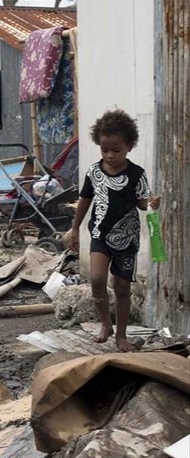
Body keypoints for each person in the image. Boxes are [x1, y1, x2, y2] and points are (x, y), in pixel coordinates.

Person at [65, 109, 161, 352]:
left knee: (121, 288)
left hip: (127, 240)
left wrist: (151, 202)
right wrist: (74, 229)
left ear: (129, 146)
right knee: (97, 280)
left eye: (116, 150)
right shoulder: (94, 173)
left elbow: (141, 203)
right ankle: (105, 325)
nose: (109, 155)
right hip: (100, 234)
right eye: (104, 150)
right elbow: (85, 201)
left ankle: (121, 335)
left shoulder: (136, 174)